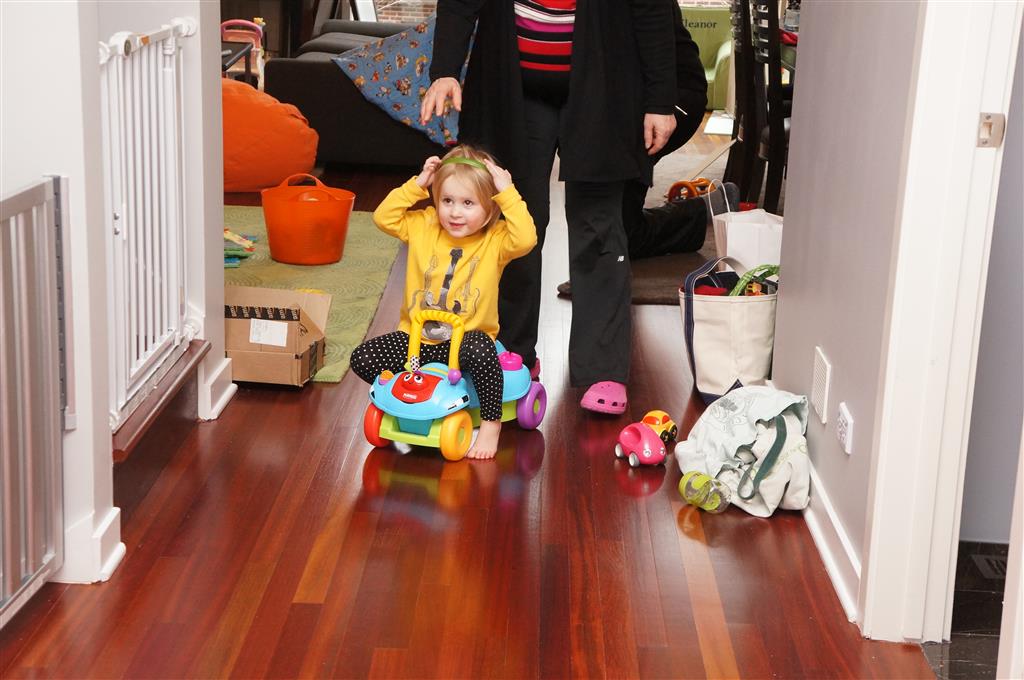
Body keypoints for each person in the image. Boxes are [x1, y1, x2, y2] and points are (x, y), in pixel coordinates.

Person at [421, 0, 679, 415]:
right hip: (514, 89)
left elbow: (651, 11)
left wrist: (661, 99)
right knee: (513, 220)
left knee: (598, 224)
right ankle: (510, 355)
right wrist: (446, 69)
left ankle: (602, 369)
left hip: (604, 84)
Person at [349, 144, 538, 459]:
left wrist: (507, 193)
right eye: (447, 200)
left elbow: (527, 238)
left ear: (490, 207)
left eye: (468, 203)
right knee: (363, 358)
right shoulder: (423, 224)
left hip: (465, 343)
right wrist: (417, 185)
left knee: (482, 350)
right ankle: (413, 395)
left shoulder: (496, 238)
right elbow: (383, 217)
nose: (455, 212)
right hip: (416, 341)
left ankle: (490, 424)